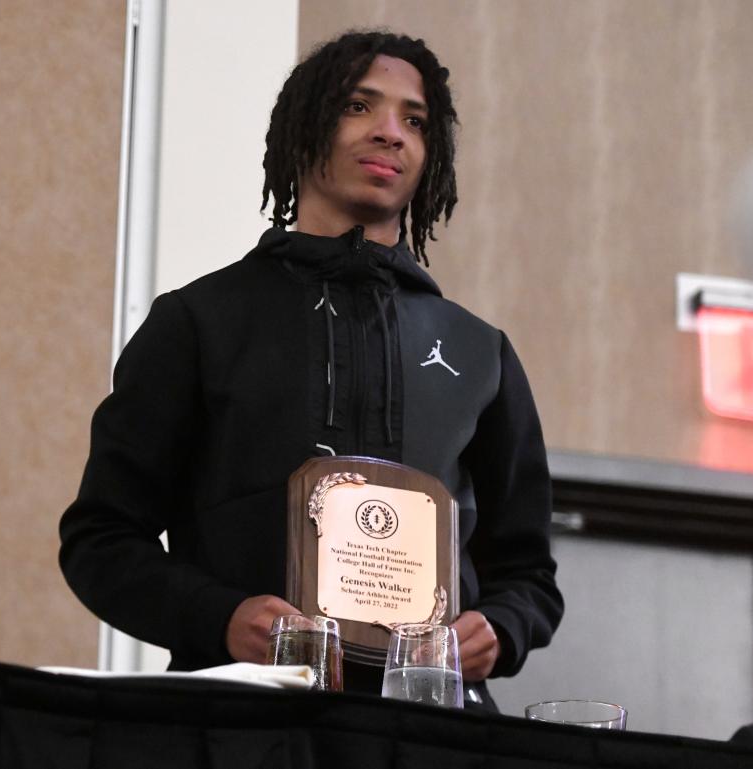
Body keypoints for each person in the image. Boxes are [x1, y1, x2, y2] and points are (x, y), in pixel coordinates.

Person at [59, 30, 563, 710]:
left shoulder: (481, 351)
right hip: (241, 725)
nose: (391, 133)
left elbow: (528, 572)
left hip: (433, 731)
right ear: (303, 130)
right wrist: (221, 617)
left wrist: (500, 630)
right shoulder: (198, 321)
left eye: (414, 120)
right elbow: (101, 540)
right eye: (360, 106)